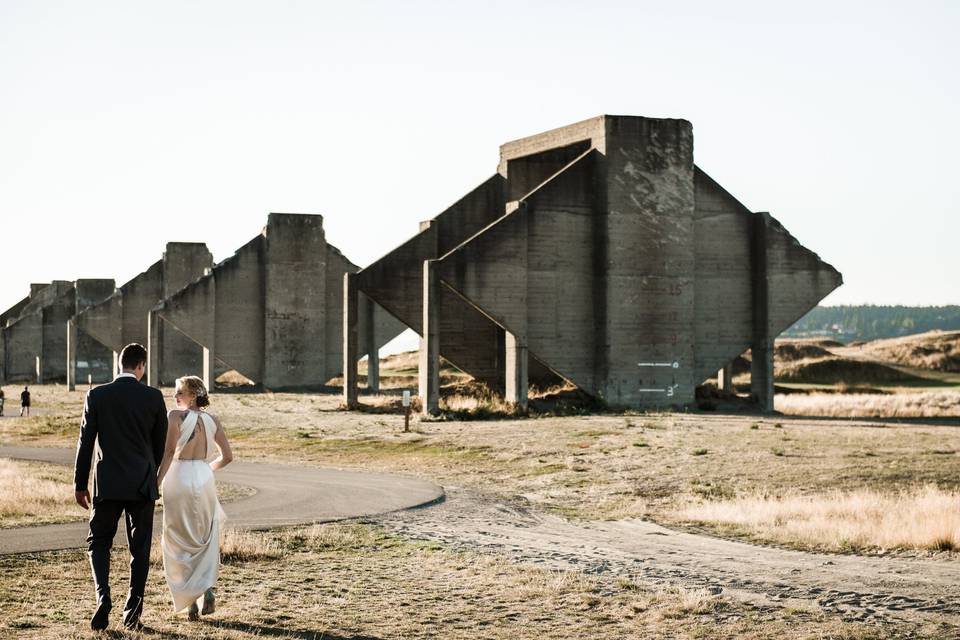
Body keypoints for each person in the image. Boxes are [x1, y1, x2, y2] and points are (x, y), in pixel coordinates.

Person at [73, 343, 168, 631]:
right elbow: (159, 445)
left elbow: (85, 442)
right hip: (141, 484)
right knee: (139, 549)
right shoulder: (153, 397)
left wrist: (80, 483)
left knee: (98, 542)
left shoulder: (97, 395)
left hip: (107, 483)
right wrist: (149, 472)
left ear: (119, 365)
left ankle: (103, 597)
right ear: (141, 366)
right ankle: (133, 612)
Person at [157, 375, 233, 620]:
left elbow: (169, 451)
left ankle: (190, 601)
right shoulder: (212, 420)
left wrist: (156, 482)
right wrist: (206, 470)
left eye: (180, 392)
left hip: (178, 475)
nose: (175, 396)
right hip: (203, 475)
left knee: (179, 537)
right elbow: (227, 457)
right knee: (203, 534)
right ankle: (206, 589)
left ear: (193, 395)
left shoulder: (175, 416)